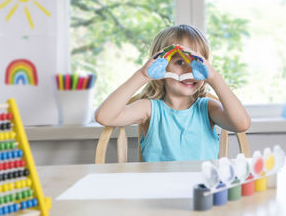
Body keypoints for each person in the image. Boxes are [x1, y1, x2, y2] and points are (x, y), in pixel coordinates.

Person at [95, 24, 251, 161]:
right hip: (159, 190)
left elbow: (242, 124)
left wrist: (215, 78)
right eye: (180, 62)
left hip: (200, 188)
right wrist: (142, 76)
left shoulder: (208, 108)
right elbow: (104, 116)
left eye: (197, 63)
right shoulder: (149, 109)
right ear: (160, 66)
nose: (190, 70)